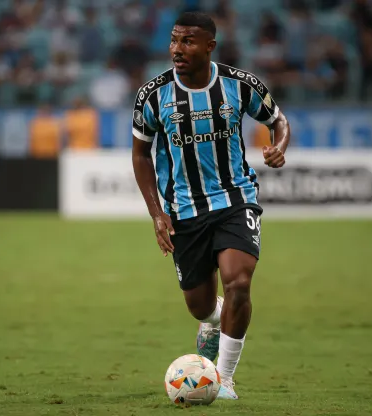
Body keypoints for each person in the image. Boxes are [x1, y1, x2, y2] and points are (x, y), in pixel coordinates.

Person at [131, 12, 291, 400]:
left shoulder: (240, 84)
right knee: (200, 306)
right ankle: (214, 321)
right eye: (173, 40)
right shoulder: (153, 95)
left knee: (239, 281)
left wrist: (278, 147)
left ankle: (224, 378)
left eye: (187, 41)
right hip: (184, 210)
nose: (177, 49)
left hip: (236, 199)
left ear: (209, 46)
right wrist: (156, 212)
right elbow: (140, 154)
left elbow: (278, 121)